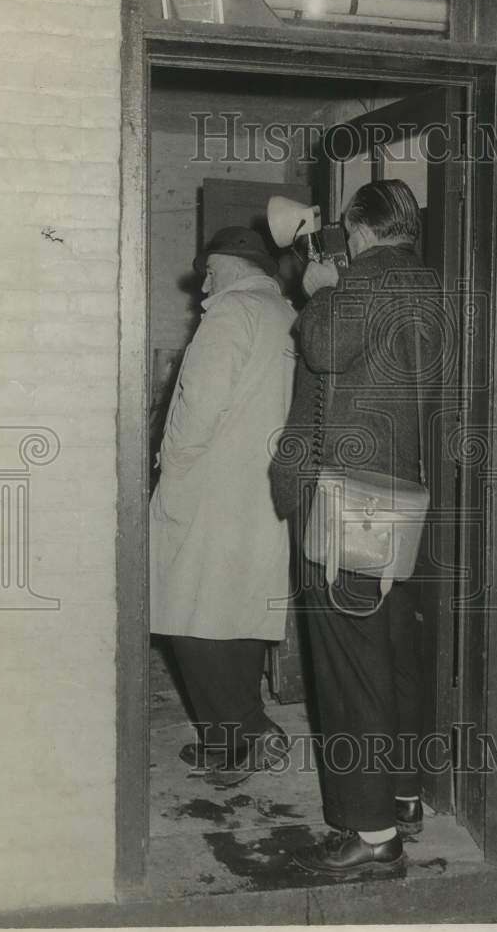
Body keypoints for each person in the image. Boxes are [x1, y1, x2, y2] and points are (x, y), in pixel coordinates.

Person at [270, 180, 431, 875]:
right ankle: (400, 794)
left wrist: (319, 291)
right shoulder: (433, 285)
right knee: (393, 655)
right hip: (405, 498)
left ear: (359, 230)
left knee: (348, 669)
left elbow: (328, 347)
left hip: (346, 499)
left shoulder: (361, 284)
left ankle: (371, 837)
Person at [150, 226, 296, 786]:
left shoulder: (230, 316)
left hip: (211, 489)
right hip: (258, 491)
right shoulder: (283, 313)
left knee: (189, 617)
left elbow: (196, 408)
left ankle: (233, 742)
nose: (204, 282)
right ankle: (247, 728)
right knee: (235, 615)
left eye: (210, 270)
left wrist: (171, 472)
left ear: (233, 267)